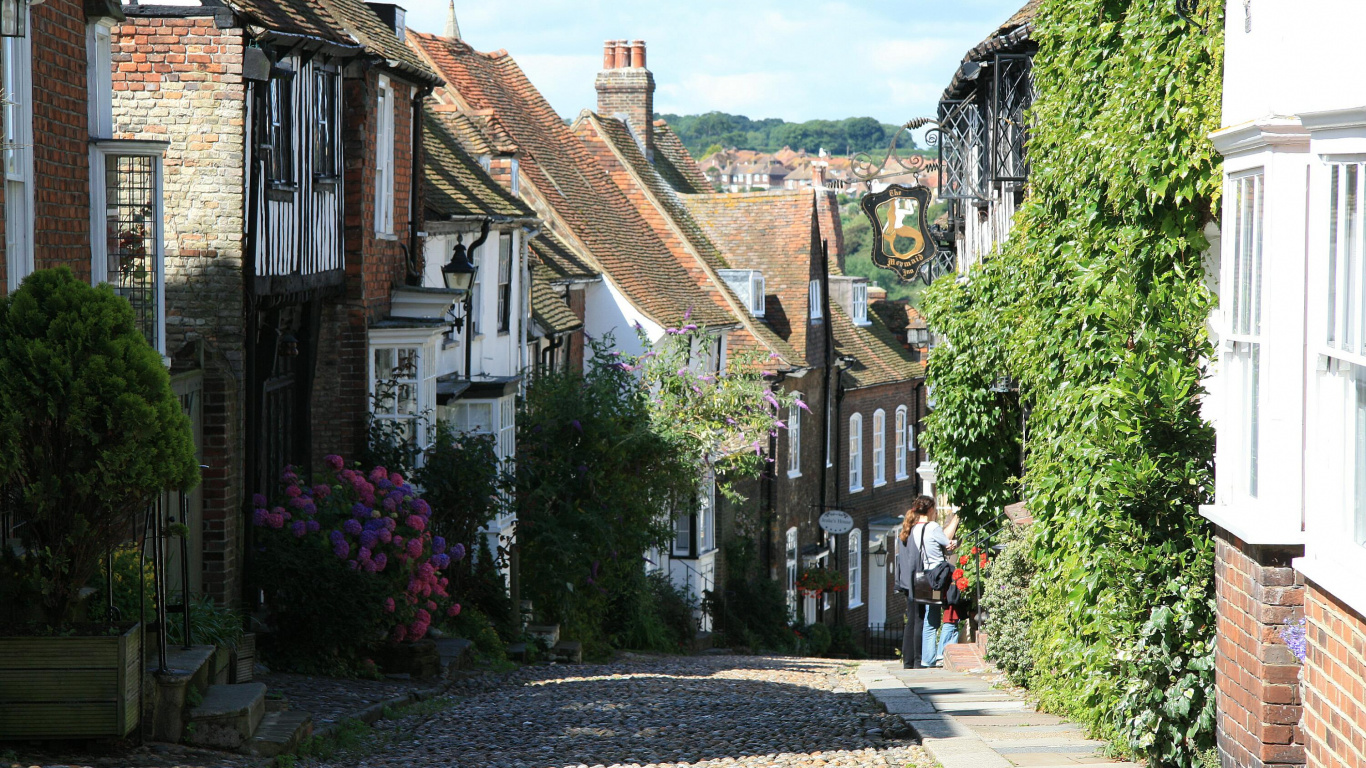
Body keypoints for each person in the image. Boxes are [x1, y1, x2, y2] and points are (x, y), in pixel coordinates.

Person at [912, 500, 959, 667]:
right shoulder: (933, 527)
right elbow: (948, 541)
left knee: (929, 617)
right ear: (931, 509)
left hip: (925, 575)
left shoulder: (915, 529)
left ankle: (927, 658)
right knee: (946, 611)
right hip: (939, 575)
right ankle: (939, 655)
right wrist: (953, 544)